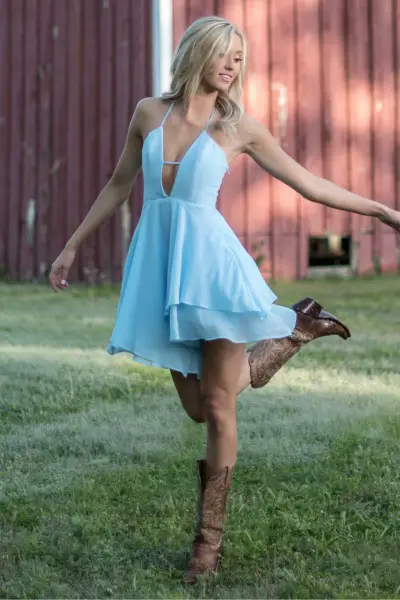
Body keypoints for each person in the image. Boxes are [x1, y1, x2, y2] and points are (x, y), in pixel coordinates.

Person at [49, 16, 400, 584]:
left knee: (218, 407)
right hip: (161, 272)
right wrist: (71, 247)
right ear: (197, 53)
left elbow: (308, 182)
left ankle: (206, 546)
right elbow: (119, 184)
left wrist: (382, 212)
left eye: (241, 56)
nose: (234, 65)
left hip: (213, 273)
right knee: (196, 407)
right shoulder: (147, 113)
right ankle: (296, 331)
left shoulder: (238, 127)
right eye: (225, 53)